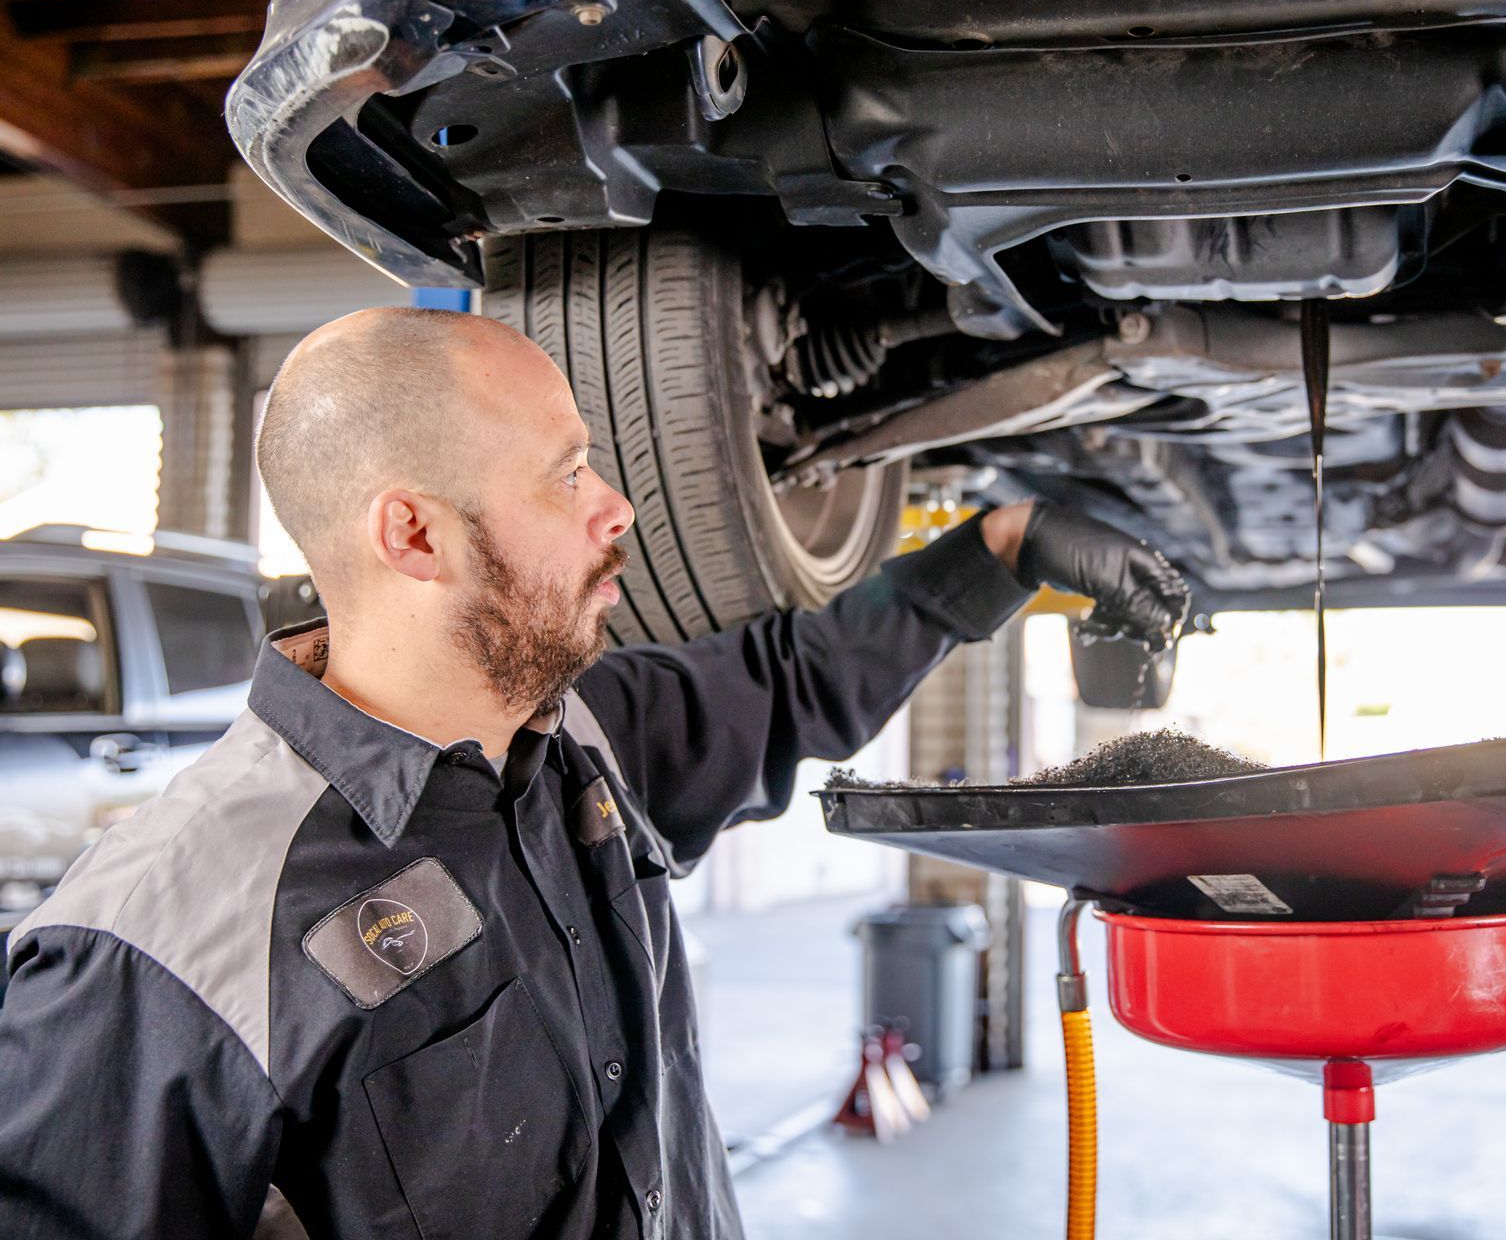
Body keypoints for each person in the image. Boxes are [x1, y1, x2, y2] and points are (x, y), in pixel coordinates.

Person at [0, 307, 1187, 1239]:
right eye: (566, 475)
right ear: (413, 535)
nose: (617, 507)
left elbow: (792, 677)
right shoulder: (157, 949)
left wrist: (1006, 546)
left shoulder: (580, 738)